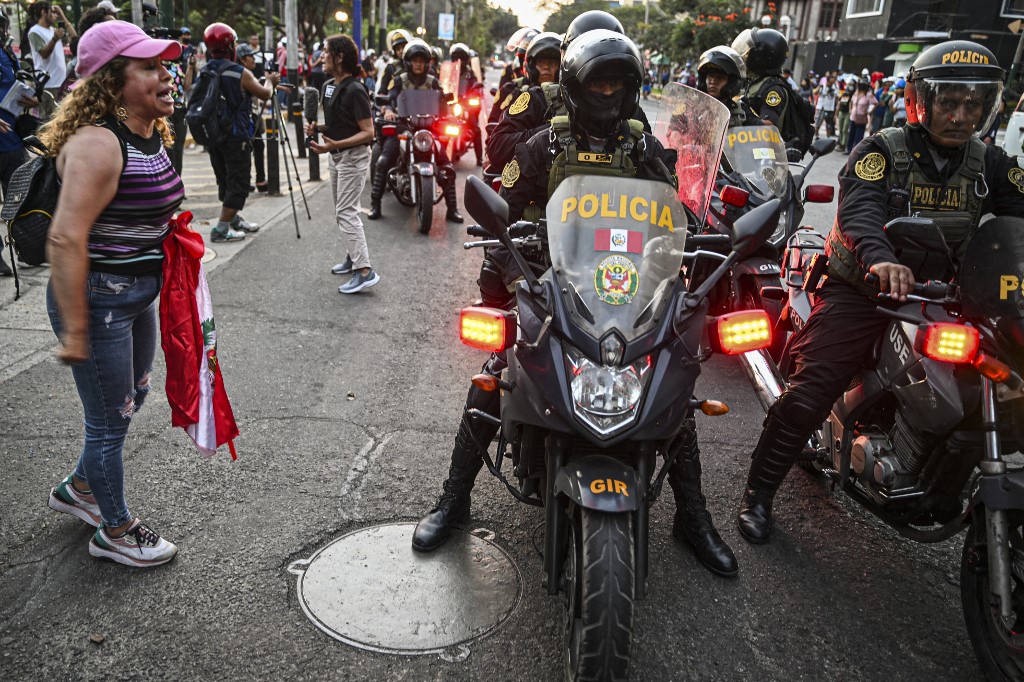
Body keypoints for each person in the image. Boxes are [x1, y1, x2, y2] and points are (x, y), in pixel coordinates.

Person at [413, 30, 738, 579]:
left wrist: (709, 236)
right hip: (551, 278)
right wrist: (521, 271)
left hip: (627, 286)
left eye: (620, 82)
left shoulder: (644, 148)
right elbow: (503, 211)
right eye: (599, 81)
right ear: (575, 85)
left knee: (675, 388)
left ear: (634, 88)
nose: (609, 92)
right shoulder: (545, 145)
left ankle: (693, 515)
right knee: (497, 374)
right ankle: (454, 498)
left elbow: (683, 210)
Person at [735, 40, 1017, 545]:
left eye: (972, 104)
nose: (960, 115)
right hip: (864, 289)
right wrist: (882, 259)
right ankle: (757, 494)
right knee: (813, 389)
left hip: (947, 295)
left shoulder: (990, 162)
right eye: (948, 103)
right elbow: (860, 210)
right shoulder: (881, 150)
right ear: (920, 102)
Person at [42, 20, 185, 567]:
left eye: (163, 64)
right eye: (148, 66)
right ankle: (116, 529)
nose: (165, 75)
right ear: (111, 80)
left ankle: (78, 488)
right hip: (99, 300)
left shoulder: (150, 132)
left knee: (133, 397)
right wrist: (76, 330)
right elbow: (64, 236)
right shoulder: (98, 144)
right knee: (107, 421)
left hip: (134, 295)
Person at [304, 35, 379, 294]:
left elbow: (368, 133)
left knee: (346, 212)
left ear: (339, 57)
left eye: (326, 52)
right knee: (342, 210)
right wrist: (318, 128)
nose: (322, 56)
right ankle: (353, 257)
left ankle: (365, 270)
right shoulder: (327, 86)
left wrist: (333, 145)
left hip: (353, 157)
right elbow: (339, 123)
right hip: (336, 156)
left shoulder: (356, 90)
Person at [201, 22, 279, 242]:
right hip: (236, 137)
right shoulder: (239, 72)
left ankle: (234, 219)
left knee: (225, 180)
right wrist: (271, 82)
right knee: (240, 183)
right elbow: (264, 94)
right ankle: (222, 229)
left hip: (214, 135)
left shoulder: (206, 69)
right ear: (230, 46)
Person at [369, 38, 461, 223]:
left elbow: (443, 103)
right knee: (384, 160)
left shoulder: (433, 82)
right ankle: (375, 204)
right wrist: (388, 111)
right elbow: (391, 99)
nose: (418, 65)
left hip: (429, 130)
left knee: (446, 165)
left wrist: (449, 115)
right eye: (415, 61)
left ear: (427, 63)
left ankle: (452, 209)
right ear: (408, 62)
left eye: (422, 61)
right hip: (404, 128)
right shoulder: (398, 80)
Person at [484, 31, 562, 175]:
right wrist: (549, 131)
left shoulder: (577, 97)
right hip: (532, 176)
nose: (546, 68)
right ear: (531, 66)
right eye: (541, 63)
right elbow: (498, 147)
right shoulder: (527, 96)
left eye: (551, 63)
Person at [0, 9, 38, 277]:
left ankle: (26, 248)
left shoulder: (7, 53)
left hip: (12, 138)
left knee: (19, 196)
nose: (3, 31)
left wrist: (28, 100)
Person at [731, 28, 798, 155]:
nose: (745, 57)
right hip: (742, 148)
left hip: (762, 156)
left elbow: (769, 125)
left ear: (760, 57)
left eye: (748, 54)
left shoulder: (774, 90)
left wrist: (744, 114)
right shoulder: (754, 82)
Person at [28, 1, 76, 110]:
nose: (55, 15)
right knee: (49, 120)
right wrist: (55, 39)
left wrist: (63, 16)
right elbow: (44, 54)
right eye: (52, 12)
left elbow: (74, 38)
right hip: (48, 85)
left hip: (61, 82)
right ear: (44, 12)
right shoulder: (35, 31)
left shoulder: (53, 30)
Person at [695, 45, 757, 127]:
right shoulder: (693, 108)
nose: (713, 81)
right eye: (710, 76)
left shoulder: (740, 111)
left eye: (720, 78)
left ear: (731, 83)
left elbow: (760, 132)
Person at [236, 44, 267, 193]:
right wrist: (270, 83)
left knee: (256, 146)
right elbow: (263, 93)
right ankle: (253, 180)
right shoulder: (243, 74)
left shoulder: (247, 73)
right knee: (250, 147)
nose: (254, 59)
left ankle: (257, 179)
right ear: (242, 59)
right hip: (246, 117)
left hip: (252, 115)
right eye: (251, 56)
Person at [167, 29, 197, 177]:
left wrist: (190, 67)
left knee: (178, 148)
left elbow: (186, 86)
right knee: (168, 148)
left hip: (179, 109)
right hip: (165, 111)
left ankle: (177, 182)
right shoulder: (160, 65)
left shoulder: (179, 66)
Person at [449, 42, 483, 166]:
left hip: (464, 106)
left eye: (462, 58)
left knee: (476, 129)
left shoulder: (470, 74)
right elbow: (442, 84)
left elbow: (475, 85)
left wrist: (474, 93)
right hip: (451, 105)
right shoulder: (449, 71)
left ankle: (479, 158)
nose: (459, 61)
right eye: (456, 58)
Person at [845, 80, 876, 153]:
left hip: (861, 117)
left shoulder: (868, 95)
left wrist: (869, 111)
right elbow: (851, 102)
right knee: (851, 134)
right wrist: (850, 110)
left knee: (859, 135)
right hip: (853, 117)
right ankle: (849, 149)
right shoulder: (856, 93)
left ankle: (856, 151)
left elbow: (875, 103)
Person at [813, 73, 837, 138]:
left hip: (830, 108)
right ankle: (816, 135)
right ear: (828, 80)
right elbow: (815, 92)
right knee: (818, 122)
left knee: (829, 123)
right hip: (821, 107)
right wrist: (819, 87)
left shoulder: (835, 87)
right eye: (832, 79)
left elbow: (837, 96)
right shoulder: (823, 86)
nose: (833, 80)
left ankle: (828, 136)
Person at [837, 77, 854, 149]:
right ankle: (840, 143)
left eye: (851, 84)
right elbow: (839, 103)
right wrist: (836, 113)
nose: (850, 86)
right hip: (841, 112)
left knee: (845, 129)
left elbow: (852, 104)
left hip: (847, 113)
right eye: (849, 84)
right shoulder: (843, 93)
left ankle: (844, 144)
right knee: (840, 129)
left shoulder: (853, 94)